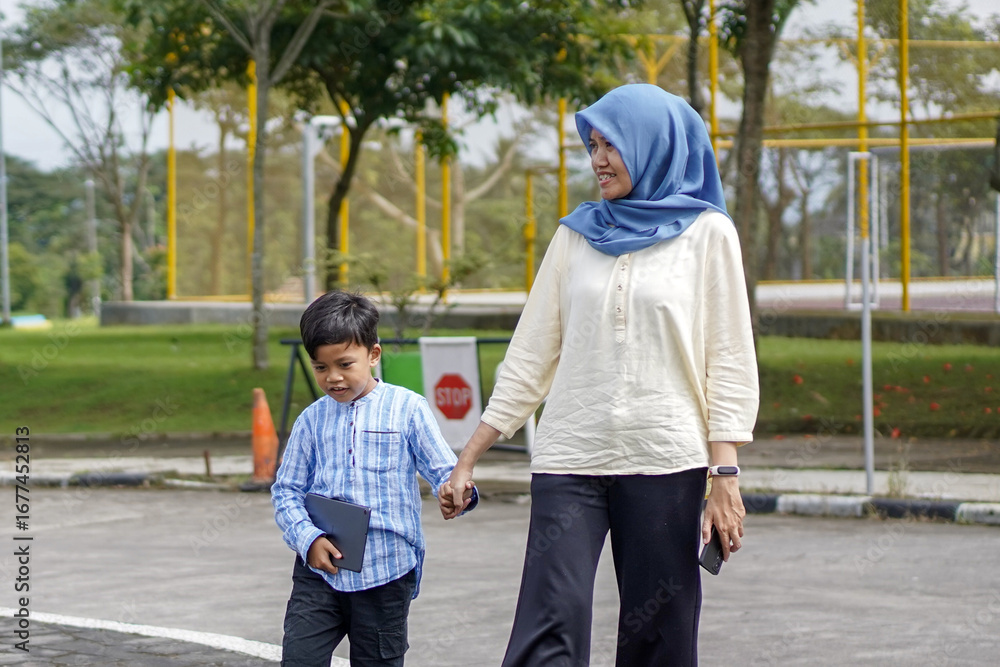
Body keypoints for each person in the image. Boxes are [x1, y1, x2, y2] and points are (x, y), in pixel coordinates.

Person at [442, 84, 759, 666]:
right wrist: (470, 455)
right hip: (570, 453)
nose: (598, 160)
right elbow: (532, 351)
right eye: (591, 145)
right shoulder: (576, 234)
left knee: (657, 634)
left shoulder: (709, 234)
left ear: (653, 145)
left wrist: (726, 475)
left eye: (612, 144)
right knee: (547, 622)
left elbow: (729, 360)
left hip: (665, 456)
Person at [272, 290, 476, 667]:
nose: (333, 377)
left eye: (345, 364)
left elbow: (445, 471)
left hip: (386, 573)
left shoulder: (408, 409)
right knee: (299, 660)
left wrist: (456, 491)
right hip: (319, 572)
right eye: (320, 367)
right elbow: (286, 491)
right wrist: (308, 539)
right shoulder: (311, 421)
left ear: (374, 355)